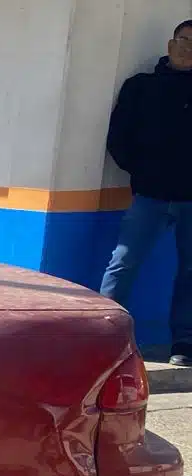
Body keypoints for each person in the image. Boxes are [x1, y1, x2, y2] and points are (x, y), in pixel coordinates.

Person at [102, 19, 192, 364]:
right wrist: (142, 172)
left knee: (189, 272)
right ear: (170, 44)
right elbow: (118, 138)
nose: (187, 48)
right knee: (123, 263)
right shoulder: (141, 87)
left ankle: (184, 344)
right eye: (182, 40)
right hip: (150, 195)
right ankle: (105, 334)